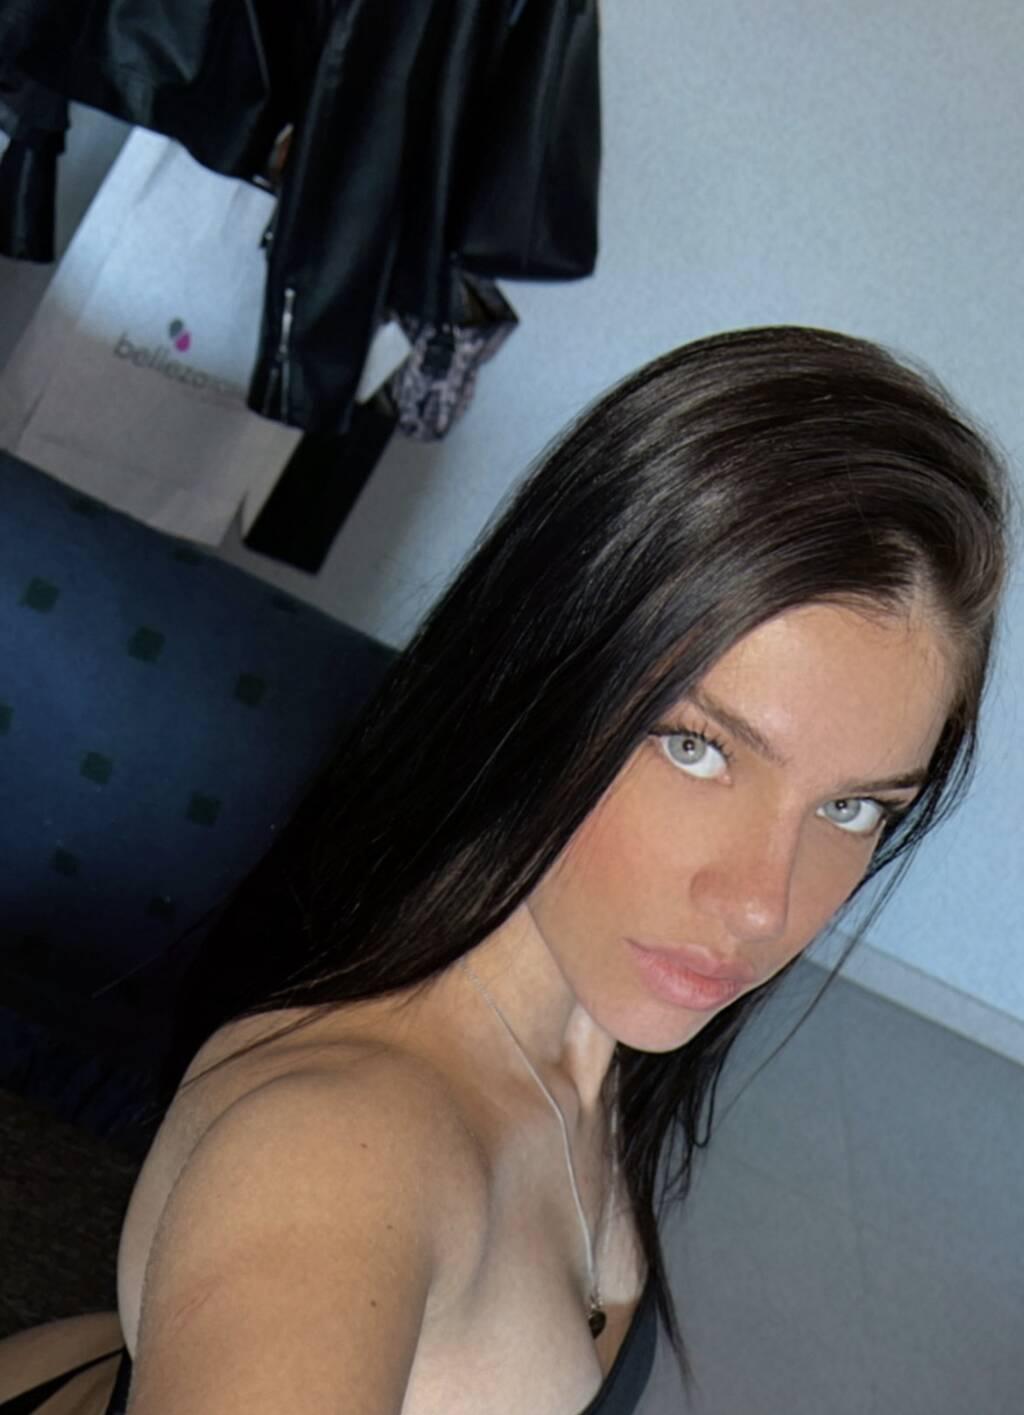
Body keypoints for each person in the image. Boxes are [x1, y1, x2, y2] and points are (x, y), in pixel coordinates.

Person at [0, 325, 1009, 1415]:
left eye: (852, 807)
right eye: (695, 746)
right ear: (541, 671)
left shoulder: (593, 1027)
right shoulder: (332, 1157)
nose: (764, 903)